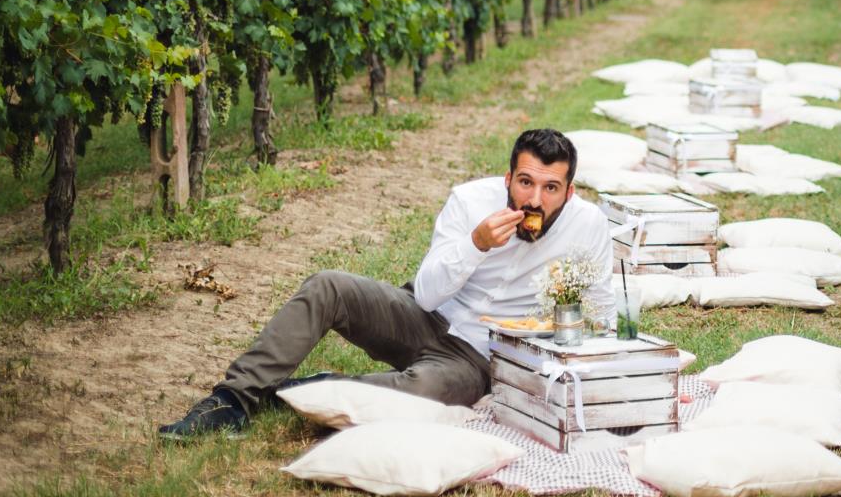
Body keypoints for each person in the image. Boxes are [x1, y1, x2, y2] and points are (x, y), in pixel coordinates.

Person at [159, 127, 616, 439]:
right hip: (425, 314)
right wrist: (476, 244)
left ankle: (307, 392)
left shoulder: (588, 226)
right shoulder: (469, 200)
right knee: (328, 286)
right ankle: (231, 401)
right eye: (525, 182)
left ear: (569, 191)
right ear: (508, 178)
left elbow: (600, 314)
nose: (534, 198)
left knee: (423, 394)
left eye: (550, 187)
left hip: (481, 356)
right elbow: (429, 290)